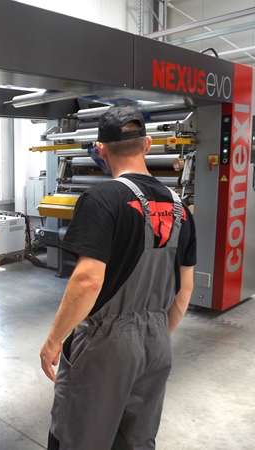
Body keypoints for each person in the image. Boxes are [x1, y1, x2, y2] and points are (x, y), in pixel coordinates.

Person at [40, 104, 196, 450]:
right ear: (148, 145)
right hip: (157, 341)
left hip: (105, 346)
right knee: (136, 441)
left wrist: (53, 341)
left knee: (79, 438)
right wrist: (153, 333)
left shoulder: (101, 199)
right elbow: (185, 290)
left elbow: (88, 281)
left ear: (101, 150)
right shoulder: (181, 209)